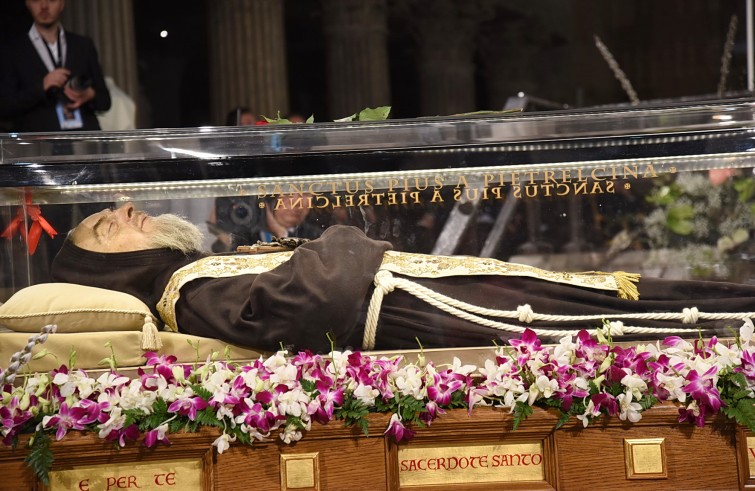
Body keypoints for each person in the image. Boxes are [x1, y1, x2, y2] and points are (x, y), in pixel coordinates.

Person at [50, 203, 755, 354]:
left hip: (433, 294)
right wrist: (337, 238)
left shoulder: (194, 275)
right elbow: (313, 297)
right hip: (430, 312)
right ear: (114, 265)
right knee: (612, 313)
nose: (123, 209)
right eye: (107, 227)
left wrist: (307, 232)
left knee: (604, 296)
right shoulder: (188, 294)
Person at [0, 0, 111, 132]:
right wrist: (41, 87)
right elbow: (4, 107)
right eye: (36, 0)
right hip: (38, 143)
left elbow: (105, 101)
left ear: (62, 3)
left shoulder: (83, 45)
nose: (44, 6)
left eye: (51, 0)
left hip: (83, 140)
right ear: (27, 3)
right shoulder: (13, 50)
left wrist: (90, 94)